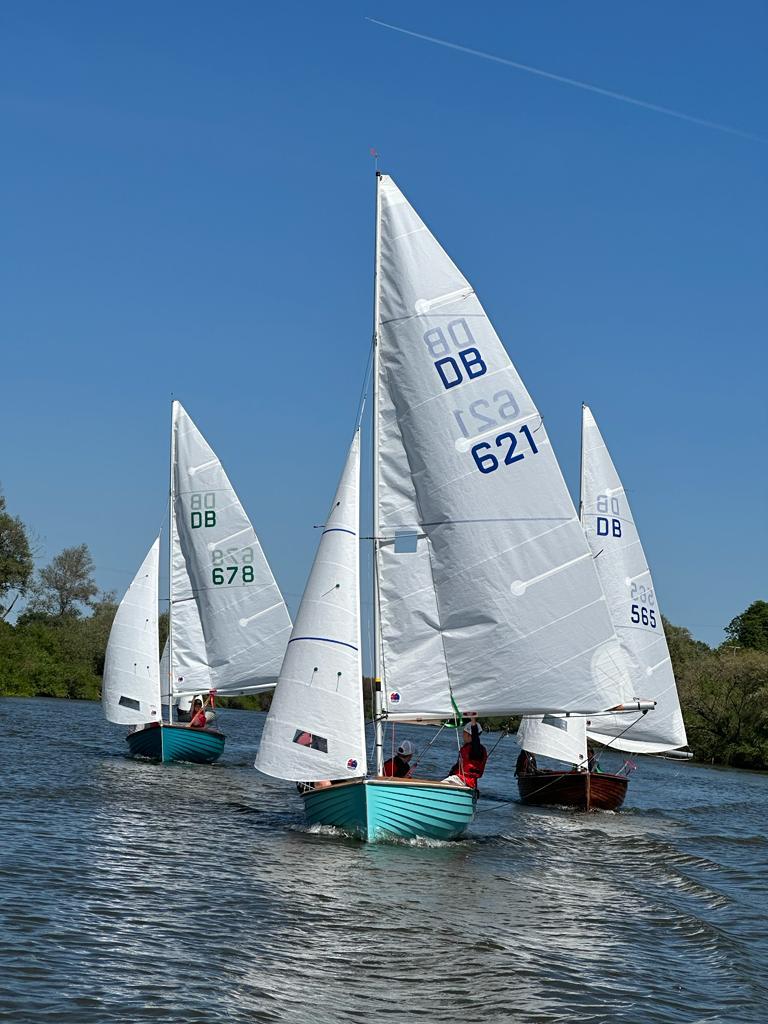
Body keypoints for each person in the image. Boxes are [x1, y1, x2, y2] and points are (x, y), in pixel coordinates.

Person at [446, 717, 488, 789]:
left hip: (464, 781)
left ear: (469, 735)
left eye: (464, 733)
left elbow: (475, 738)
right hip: (461, 780)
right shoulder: (468, 748)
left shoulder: (476, 749)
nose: (463, 736)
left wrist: (473, 721)